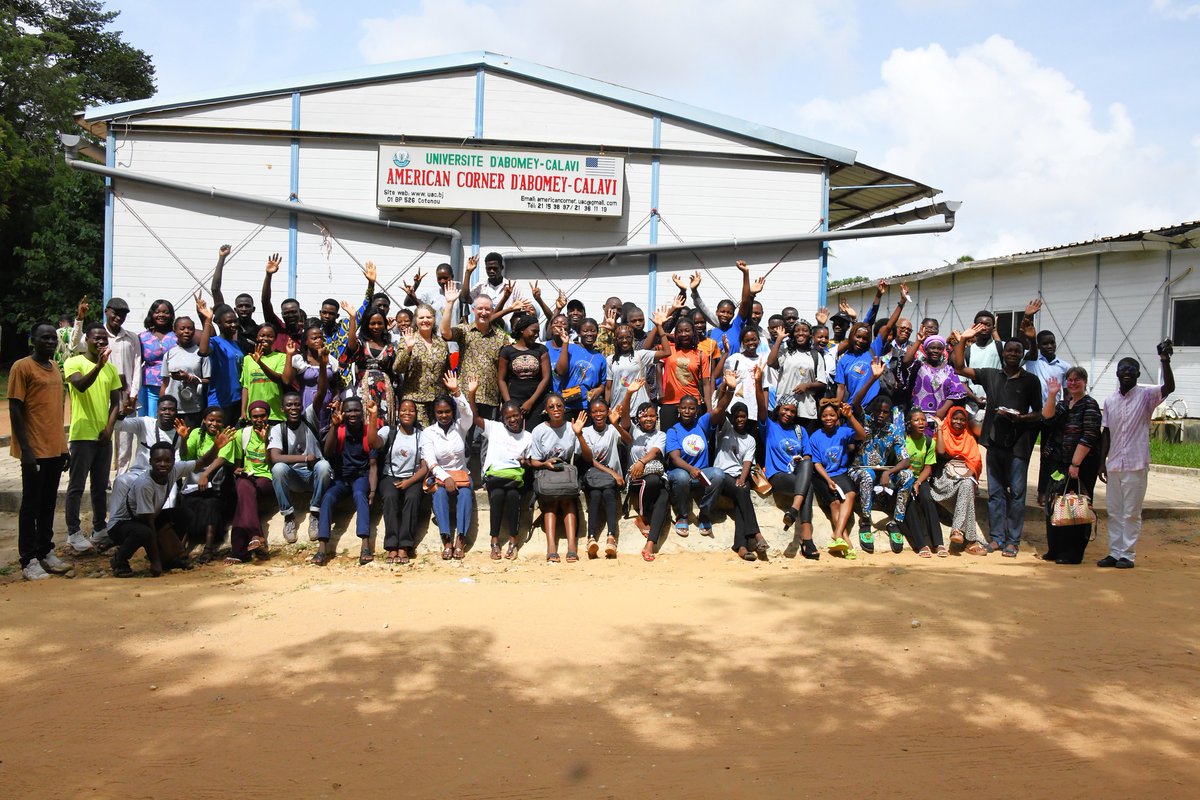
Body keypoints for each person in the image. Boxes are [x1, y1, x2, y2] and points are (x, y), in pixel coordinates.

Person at [951, 324, 1042, 557]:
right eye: (1009, 350)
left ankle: (1013, 540)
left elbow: (1039, 412)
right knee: (995, 493)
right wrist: (963, 339)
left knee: (1017, 494)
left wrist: (1021, 418)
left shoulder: (1030, 381)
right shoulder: (991, 375)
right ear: (1003, 353)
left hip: (1019, 446)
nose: (1012, 354)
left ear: (1022, 355)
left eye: (1016, 351)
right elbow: (959, 367)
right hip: (994, 443)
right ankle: (997, 539)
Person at [108, 434, 234, 577]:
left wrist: (216, 447)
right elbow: (148, 524)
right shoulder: (145, 485)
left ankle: (170, 557)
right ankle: (120, 560)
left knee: (184, 514)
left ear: (174, 462)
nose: (163, 464)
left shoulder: (175, 470)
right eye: (158, 460)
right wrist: (155, 562)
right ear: (150, 462)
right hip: (123, 524)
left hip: (148, 519)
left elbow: (203, 461)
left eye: (167, 461)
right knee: (144, 532)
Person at [1098, 346, 1174, 568]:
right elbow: (1107, 433)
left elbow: (1169, 387)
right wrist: (1101, 462)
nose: (1127, 372)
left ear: (1138, 374)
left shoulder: (1147, 396)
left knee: (1131, 513)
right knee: (1114, 511)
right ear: (1117, 373)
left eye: (1132, 369)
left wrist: (1164, 360)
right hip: (1114, 465)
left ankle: (1127, 555)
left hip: (1136, 464)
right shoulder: (1110, 401)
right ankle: (1114, 552)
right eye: (1123, 368)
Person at [11, 321, 73, 580]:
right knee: (31, 506)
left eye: (52, 339)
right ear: (32, 340)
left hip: (55, 448)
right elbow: (15, 409)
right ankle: (28, 560)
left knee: (48, 504)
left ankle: (45, 551)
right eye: (44, 338)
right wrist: (25, 450)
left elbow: (55, 410)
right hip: (34, 449)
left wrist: (64, 446)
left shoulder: (56, 367)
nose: (49, 342)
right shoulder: (22, 367)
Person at [63, 322, 123, 554]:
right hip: (82, 434)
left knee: (100, 486)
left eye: (103, 339)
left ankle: (99, 528)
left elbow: (116, 402)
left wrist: (109, 429)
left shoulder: (110, 368)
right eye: (96, 338)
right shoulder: (74, 362)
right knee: (76, 486)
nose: (100, 342)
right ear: (86, 339)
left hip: (103, 436)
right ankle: (74, 533)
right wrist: (98, 366)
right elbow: (79, 385)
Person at [464, 375, 533, 560]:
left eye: (515, 415)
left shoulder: (528, 437)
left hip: (514, 478)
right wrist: (472, 393)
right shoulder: (494, 428)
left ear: (521, 415)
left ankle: (513, 539)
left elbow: (530, 461)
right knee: (497, 496)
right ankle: (494, 540)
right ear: (503, 418)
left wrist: (524, 461)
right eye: (508, 417)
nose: (512, 419)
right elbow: (475, 417)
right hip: (494, 477)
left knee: (511, 496)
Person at [1039, 369, 1102, 564]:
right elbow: (1047, 418)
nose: (1073, 383)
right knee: (1056, 504)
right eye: (1070, 380)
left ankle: (1072, 553)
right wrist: (1051, 394)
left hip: (1080, 465)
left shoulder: (1090, 405)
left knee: (1076, 507)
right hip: (1058, 464)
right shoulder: (1064, 404)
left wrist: (1075, 463)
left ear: (1085, 382)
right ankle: (1055, 549)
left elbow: (1089, 436)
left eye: (1078, 380)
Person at [755, 375, 818, 560]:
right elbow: (761, 407)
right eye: (785, 409)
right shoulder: (770, 427)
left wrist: (800, 460)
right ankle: (807, 538)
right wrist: (758, 383)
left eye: (792, 411)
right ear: (779, 409)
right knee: (808, 487)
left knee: (807, 463)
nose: (789, 414)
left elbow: (807, 455)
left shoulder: (800, 430)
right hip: (779, 475)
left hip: (798, 474)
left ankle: (794, 510)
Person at [75, 296, 141, 474]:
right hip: (101, 395)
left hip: (125, 396)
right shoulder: (96, 336)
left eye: (122, 315)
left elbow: (137, 367)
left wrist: (133, 394)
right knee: (102, 437)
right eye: (115, 313)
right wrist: (80, 319)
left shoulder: (131, 338)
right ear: (106, 312)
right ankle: (102, 478)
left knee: (125, 440)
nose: (118, 317)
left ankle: (122, 477)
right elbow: (75, 346)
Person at [314, 397, 382, 566]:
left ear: (362, 412)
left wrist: (372, 490)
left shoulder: (368, 432)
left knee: (360, 495)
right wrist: (334, 427)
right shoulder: (340, 430)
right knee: (328, 497)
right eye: (349, 410)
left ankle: (365, 545)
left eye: (356, 410)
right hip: (341, 477)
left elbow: (373, 465)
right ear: (343, 412)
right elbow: (328, 452)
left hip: (360, 476)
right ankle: (322, 547)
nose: (353, 414)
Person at [666, 379, 734, 537]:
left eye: (691, 408)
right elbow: (675, 458)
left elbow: (720, 409)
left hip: (700, 474)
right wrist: (691, 469)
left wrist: (731, 389)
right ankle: (682, 516)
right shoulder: (673, 431)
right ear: (679, 409)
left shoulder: (702, 424)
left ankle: (705, 514)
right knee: (681, 476)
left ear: (697, 410)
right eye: (683, 408)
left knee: (718, 474)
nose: (687, 411)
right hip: (681, 474)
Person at [441, 280, 515, 425]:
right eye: (480, 308)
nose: (484, 312)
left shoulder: (502, 337)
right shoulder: (464, 331)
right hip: (466, 396)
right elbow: (445, 332)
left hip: (491, 397)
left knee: (487, 442)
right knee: (464, 438)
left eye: (487, 309)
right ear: (473, 310)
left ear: (492, 311)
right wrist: (450, 303)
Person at [852, 388, 914, 555]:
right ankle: (865, 522)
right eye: (878, 410)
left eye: (885, 412)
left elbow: (906, 460)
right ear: (873, 410)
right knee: (867, 475)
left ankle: (896, 523)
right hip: (859, 469)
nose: (881, 414)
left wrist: (889, 472)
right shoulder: (864, 421)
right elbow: (856, 403)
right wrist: (873, 378)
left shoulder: (894, 430)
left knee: (908, 475)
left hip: (883, 471)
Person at [268, 388, 332, 544]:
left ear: (302, 407)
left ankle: (315, 514)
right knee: (278, 469)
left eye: (297, 404)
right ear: (282, 409)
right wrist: (304, 458)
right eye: (289, 405)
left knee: (324, 465)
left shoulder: (309, 419)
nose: (293, 408)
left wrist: (322, 367)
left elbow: (320, 394)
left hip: (313, 476)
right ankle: (289, 517)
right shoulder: (277, 429)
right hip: (294, 478)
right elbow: (275, 457)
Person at [614, 382, 669, 561]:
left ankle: (650, 543)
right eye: (644, 416)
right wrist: (629, 393)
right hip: (637, 479)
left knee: (663, 496)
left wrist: (641, 461)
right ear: (639, 418)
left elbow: (655, 452)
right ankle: (643, 516)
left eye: (652, 416)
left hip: (655, 476)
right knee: (652, 481)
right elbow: (624, 416)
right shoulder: (633, 432)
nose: (648, 419)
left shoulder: (661, 435)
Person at [807, 399, 868, 559]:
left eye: (832, 415)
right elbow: (817, 464)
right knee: (834, 504)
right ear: (820, 417)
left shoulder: (843, 431)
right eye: (825, 415)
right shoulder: (815, 437)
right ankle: (847, 543)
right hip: (822, 475)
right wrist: (828, 481)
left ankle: (837, 534)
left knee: (851, 494)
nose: (828, 418)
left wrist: (851, 417)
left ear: (837, 416)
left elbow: (862, 435)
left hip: (840, 473)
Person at [422, 377, 474, 560]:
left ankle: (460, 539)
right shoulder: (428, 433)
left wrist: (457, 392)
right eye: (439, 412)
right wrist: (446, 478)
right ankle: (446, 539)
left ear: (452, 412)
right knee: (440, 495)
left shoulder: (460, 427)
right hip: (440, 476)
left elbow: (468, 414)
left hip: (462, 474)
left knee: (466, 495)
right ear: (434, 413)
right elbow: (431, 462)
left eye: (447, 411)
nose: (444, 415)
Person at [178, 406, 237, 562]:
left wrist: (205, 474)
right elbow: (185, 457)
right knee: (187, 505)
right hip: (194, 484)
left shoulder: (227, 435)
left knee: (211, 506)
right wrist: (183, 440)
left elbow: (222, 459)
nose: (214, 424)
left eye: (218, 421)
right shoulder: (197, 433)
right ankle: (180, 548)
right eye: (211, 420)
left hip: (217, 484)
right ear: (204, 420)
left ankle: (208, 549)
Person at [528, 393, 582, 563]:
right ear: (546, 410)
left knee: (568, 502)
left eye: (559, 405)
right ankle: (551, 547)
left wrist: (579, 434)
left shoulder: (571, 427)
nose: (556, 409)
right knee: (550, 503)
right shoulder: (539, 430)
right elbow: (534, 461)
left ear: (564, 407)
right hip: (546, 471)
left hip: (565, 470)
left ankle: (572, 547)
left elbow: (583, 455)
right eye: (551, 407)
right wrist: (545, 464)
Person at [930, 406, 989, 555]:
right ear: (949, 419)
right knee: (967, 487)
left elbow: (975, 461)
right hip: (943, 482)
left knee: (967, 483)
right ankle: (972, 541)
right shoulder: (943, 433)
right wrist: (940, 429)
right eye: (955, 418)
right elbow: (941, 452)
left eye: (962, 420)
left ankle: (957, 530)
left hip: (962, 481)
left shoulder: (968, 437)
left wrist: (967, 474)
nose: (958, 422)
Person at [377, 398, 429, 564]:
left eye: (411, 410)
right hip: (390, 476)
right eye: (404, 410)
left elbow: (424, 467)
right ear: (398, 413)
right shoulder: (389, 431)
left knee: (412, 498)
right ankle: (391, 545)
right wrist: (372, 418)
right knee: (390, 496)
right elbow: (373, 443)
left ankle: (405, 546)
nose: (407, 413)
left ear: (416, 414)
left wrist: (408, 482)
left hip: (413, 478)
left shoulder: (421, 436)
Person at [577, 398, 630, 559]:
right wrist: (578, 434)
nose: (598, 414)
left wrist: (616, 424)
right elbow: (589, 459)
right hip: (593, 477)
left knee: (608, 494)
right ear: (590, 414)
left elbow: (628, 441)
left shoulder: (612, 430)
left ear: (607, 412)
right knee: (595, 495)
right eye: (594, 411)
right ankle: (591, 538)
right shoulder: (585, 432)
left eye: (602, 411)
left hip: (611, 479)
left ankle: (611, 538)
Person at [714, 400, 766, 561]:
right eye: (737, 416)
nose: (740, 420)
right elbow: (720, 411)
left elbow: (747, 463)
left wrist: (742, 479)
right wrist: (729, 389)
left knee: (741, 496)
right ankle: (756, 534)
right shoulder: (726, 430)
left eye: (743, 416)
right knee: (742, 491)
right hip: (722, 475)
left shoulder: (750, 439)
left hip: (739, 476)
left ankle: (741, 546)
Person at [393, 304, 451, 427]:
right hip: (416, 400)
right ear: (416, 320)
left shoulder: (441, 343)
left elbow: (447, 371)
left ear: (434, 319)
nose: (425, 320)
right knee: (422, 438)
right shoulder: (408, 339)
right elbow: (397, 368)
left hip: (438, 401)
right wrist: (408, 349)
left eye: (429, 317)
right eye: (421, 318)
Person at [901, 408, 946, 557]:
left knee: (927, 499)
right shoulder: (902, 440)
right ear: (909, 423)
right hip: (902, 478)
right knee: (909, 503)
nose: (921, 423)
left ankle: (938, 543)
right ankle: (921, 544)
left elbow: (928, 467)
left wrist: (918, 482)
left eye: (923, 420)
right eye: (916, 420)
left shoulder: (928, 442)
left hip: (919, 478)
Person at [195, 295, 245, 426]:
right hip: (219, 401)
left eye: (235, 321)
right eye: (229, 322)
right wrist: (207, 321)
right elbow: (203, 351)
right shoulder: (215, 342)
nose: (233, 324)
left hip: (237, 399)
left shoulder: (236, 344)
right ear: (219, 323)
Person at [769, 320, 827, 433]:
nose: (801, 333)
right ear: (793, 334)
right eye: (797, 331)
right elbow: (771, 362)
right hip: (785, 409)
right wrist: (779, 339)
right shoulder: (786, 351)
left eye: (805, 330)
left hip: (806, 409)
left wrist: (807, 386)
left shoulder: (815, 355)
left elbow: (822, 383)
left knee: (803, 443)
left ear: (810, 334)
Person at [342, 305, 397, 425]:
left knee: (385, 423)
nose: (376, 327)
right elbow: (351, 346)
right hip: (365, 388)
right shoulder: (362, 342)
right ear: (367, 324)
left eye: (379, 323)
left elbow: (395, 369)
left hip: (385, 390)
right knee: (365, 421)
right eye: (372, 323)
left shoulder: (390, 345)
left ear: (384, 324)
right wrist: (352, 318)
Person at [498, 313, 551, 431]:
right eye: (534, 331)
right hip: (514, 399)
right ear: (522, 330)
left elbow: (546, 378)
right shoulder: (507, 351)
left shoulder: (541, 350)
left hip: (536, 401)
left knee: (534, 433)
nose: (537, 335)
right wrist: (509, 404)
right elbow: (501, 380)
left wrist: (531, 402)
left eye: (538, 332)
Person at [659, 317, 714, 432]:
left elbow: (705, 384)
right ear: (676, 334)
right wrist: (659, 324)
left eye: (687, 330)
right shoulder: (668, 350)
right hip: (670, 403)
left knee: (692, 442)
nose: (683, 334)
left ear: (693, 332)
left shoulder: (700, 355)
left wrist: (709, 408)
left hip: (692, 403)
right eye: (680, 331)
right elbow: (650, 346)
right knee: (668, 439)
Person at [283, 325, 339, 427]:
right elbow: (287, 381)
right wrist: (289, 355)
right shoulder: (300, 360)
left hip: (327, 402)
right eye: (314, 338)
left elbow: (336, 384)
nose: (318, 341)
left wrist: (336, 398)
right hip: (307, 400)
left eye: (320, 338)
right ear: (306, 341)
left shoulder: (330, 359)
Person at [210, 243, 260, 354]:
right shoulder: (229, 325)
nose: (244, 309)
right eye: (240, 306)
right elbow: (215, 289)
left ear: (253, 309)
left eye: (247, 306)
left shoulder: (259, 330)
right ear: (235, 309)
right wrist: (222, 258)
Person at [159, 315, 209, 428]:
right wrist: (161, 404)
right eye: (182, 328)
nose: (187, 331)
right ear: (175, 331)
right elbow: (165, 383)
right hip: (173, 409)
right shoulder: (169, 354)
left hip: (194, 408)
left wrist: (189, 379)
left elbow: (207, 381)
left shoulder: (201, 353)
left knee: (190, 441)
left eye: (190, 328)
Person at [241, 323, 288, 423]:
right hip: (254, 413)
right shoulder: (248, 359)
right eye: (262, 335)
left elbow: (278, 378)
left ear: (274, 339)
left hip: (275, 414)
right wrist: (243, 411)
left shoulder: (281, 357)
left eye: (270, 336)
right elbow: (245, 387)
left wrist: (260, 363)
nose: (265, 338)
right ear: (257, 337)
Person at [137, 299, 177, 417]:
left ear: (171, 315)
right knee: (149, 419)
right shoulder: (142, 337)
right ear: (152, 314)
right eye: (157, 312)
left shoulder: (177, 336)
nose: (161, 315)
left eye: (165, 312)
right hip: (149, 385)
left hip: (172, 384)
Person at [261, 252, 305, 353]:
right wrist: (268, 275)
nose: (290, 315)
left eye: (293, 312)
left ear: (299, 313)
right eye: (286, 313)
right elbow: (265, 301)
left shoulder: (305, 335)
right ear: (282, 314)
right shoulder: (277, 328)